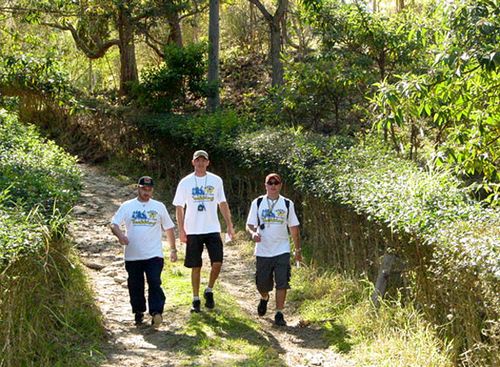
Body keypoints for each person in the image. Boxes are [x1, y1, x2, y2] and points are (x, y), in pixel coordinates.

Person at [111, 176, 177, 328]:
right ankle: (138, 312)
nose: (147, 192)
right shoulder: (127, 206)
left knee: (154, 282)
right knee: (135, 285)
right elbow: (114, 224)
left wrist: (173, 249)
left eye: (149, 189)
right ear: (138, 188)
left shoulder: (159, 206)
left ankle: (156, 313)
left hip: (154, 254)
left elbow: (168, 228)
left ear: (152, 189)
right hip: (133, 255)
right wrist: (120, 235)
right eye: (144, 189)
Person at [173, 150, 235, 313]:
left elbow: (222, 203)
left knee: (217, 262)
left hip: (212, 228)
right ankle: (195, 299)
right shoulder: (185, 182)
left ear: (208, 162)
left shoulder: (216, 181)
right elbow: (179, 207)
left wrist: (229, 225)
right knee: (196, 265)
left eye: (203, 160)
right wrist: (181, 230)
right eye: (197, 160)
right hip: (193, 229)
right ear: (193, 162)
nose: (200, 163)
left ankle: (209, 289)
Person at [246, 173, 301, 326]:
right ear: (265, 185)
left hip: (282, 249)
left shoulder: (287, 204)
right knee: (262, 284)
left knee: (282, 282)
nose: (273, 185)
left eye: (276, 182)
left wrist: (297, 250)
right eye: (270, 183)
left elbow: (294, 227)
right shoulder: (257, 203)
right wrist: (253, 233)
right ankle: (264, 298)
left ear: (281, 185)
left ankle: (279, 313)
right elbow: (249, 224)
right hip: (263, 250)